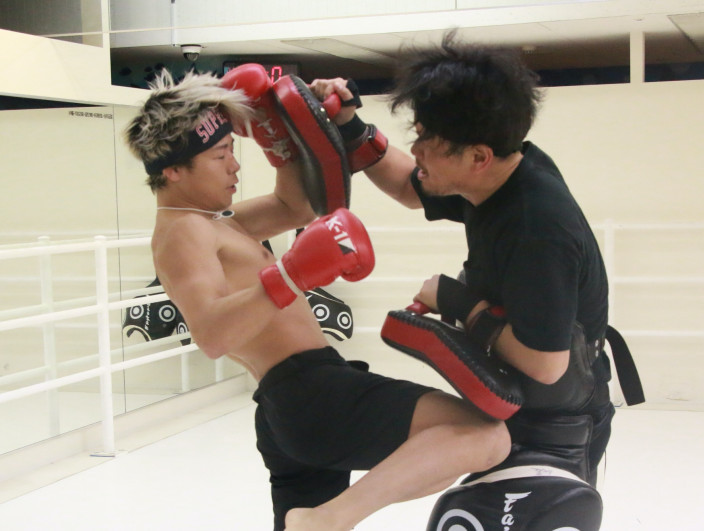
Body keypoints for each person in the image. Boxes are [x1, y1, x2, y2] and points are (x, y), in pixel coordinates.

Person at [124, 68, 510, 531]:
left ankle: (319, 520)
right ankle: (329, 519)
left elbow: (298, 207)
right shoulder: (183, 231)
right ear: (172, 170)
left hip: (290, 404)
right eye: (220, 154)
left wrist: (277, 137)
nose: (234, 166)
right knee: (484, 436)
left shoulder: (217, 222)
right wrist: (291, 274)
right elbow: (212, 334)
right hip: (310, 393)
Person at [311, 31, 619, 521]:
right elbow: (409, 187)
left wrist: (456, 300)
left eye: (427, 141)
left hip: (556, 428)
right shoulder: (501, 174)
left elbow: (546, 365)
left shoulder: (536, 226)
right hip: (517, 410)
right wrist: (350, 127)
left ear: (477, 157)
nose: (417, 151)